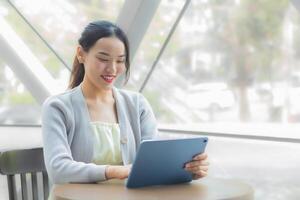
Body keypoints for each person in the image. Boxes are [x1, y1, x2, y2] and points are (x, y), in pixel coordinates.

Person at [42, 20, 209, 185]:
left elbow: (153, 163)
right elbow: (58, 170)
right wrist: (114, 171)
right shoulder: (57, 107)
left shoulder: (137, 105)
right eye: (103, 58)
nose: (112, 69)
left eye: (120, 61)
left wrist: (187, 169)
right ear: (81, 54)